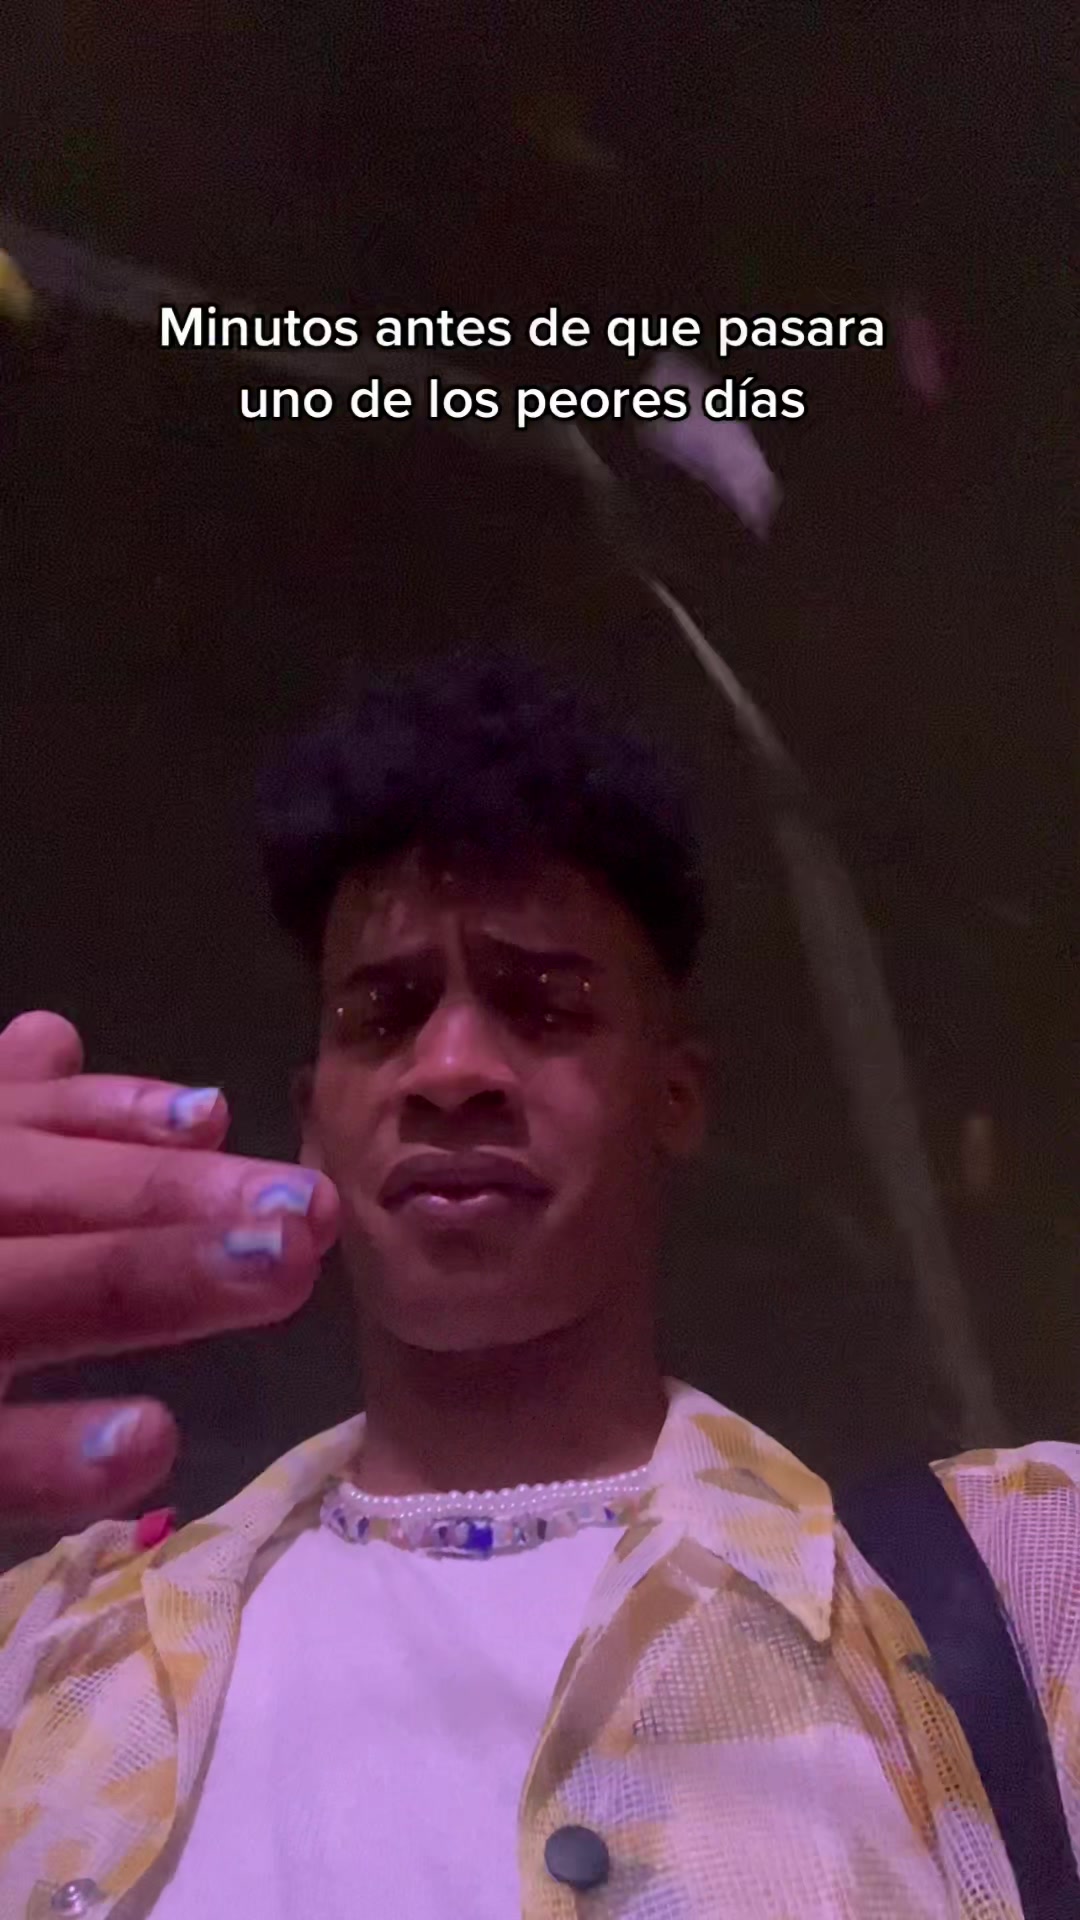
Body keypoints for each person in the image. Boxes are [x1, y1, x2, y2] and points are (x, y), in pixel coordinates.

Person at [0, 653, 1076, 1920]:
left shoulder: (1028, 1586)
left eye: (545, 1007)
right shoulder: (45, 1655)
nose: (452, 1069)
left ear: (675, 1095)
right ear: (314, 1119)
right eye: (384, 1015)